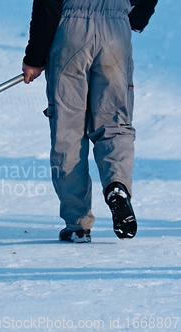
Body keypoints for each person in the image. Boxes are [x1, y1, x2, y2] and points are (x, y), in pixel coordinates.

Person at [22, 0, 158, 242]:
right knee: (115, 122)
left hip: (71, 31)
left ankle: (77, 224)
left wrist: (35, 56)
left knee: (68, 130)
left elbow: (47, 3)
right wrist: (136, 18)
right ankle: (117, 185)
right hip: (116, 30)